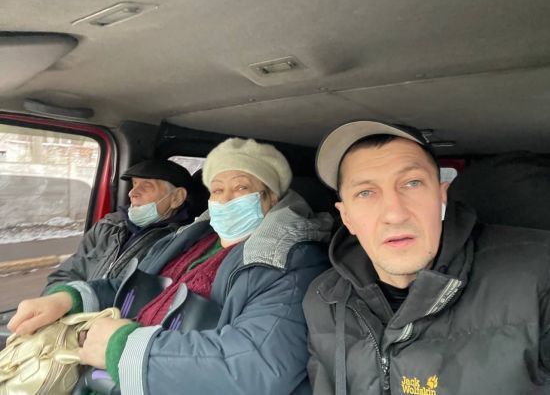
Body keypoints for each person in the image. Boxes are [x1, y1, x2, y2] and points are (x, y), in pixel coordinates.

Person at [9, 138, 333, 395]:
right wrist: (68, 298)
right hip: (111, 376)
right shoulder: (192, 236)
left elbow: (256, 365)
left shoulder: (292, 261)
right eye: (217, 189)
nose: (225, 200)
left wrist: (124, 348)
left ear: (272, 197)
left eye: (241, 188)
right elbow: (135, 287)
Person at [303, 120, 550, 394]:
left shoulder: (538, 278)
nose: (394, 214)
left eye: (412, 183)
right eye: (365, 192)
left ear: (442, 197)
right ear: (346, 216)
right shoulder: (326, 300)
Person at [45, 159, 194, 287]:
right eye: (134, 184)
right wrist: (57, 298)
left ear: (176, 198)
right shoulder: (108, 226)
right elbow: (69, 271)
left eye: (147, 185)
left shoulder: (182, 243)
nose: (132, 193)